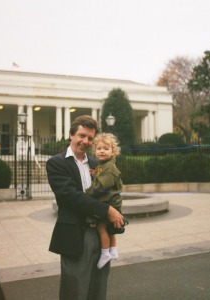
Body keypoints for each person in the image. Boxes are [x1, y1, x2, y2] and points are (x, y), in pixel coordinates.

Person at [46, 115, 125, 300]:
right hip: (76, 235)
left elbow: (110, 192)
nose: (86, 141)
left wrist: (117, 214)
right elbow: (71, 198)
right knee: (74, 290)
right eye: (82, 135)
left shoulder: (97, 163)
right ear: (71, 135)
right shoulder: (56, 163)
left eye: (90, 138)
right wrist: (107, 211)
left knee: (98, 289)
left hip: (100, 233)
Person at [85, 133, 125, 269]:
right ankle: (113, 251)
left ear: (113, 152)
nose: (102, 151)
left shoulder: (109, 168)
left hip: (110, 203)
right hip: (112, 202)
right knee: (110, 229)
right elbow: (101, 175)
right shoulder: (103, 165)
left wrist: (86, 193)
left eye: (106, 148)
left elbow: (100, 186)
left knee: (101, 227)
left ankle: (105, 253)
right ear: (95, 151)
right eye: (99, 148)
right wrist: (94, 173)